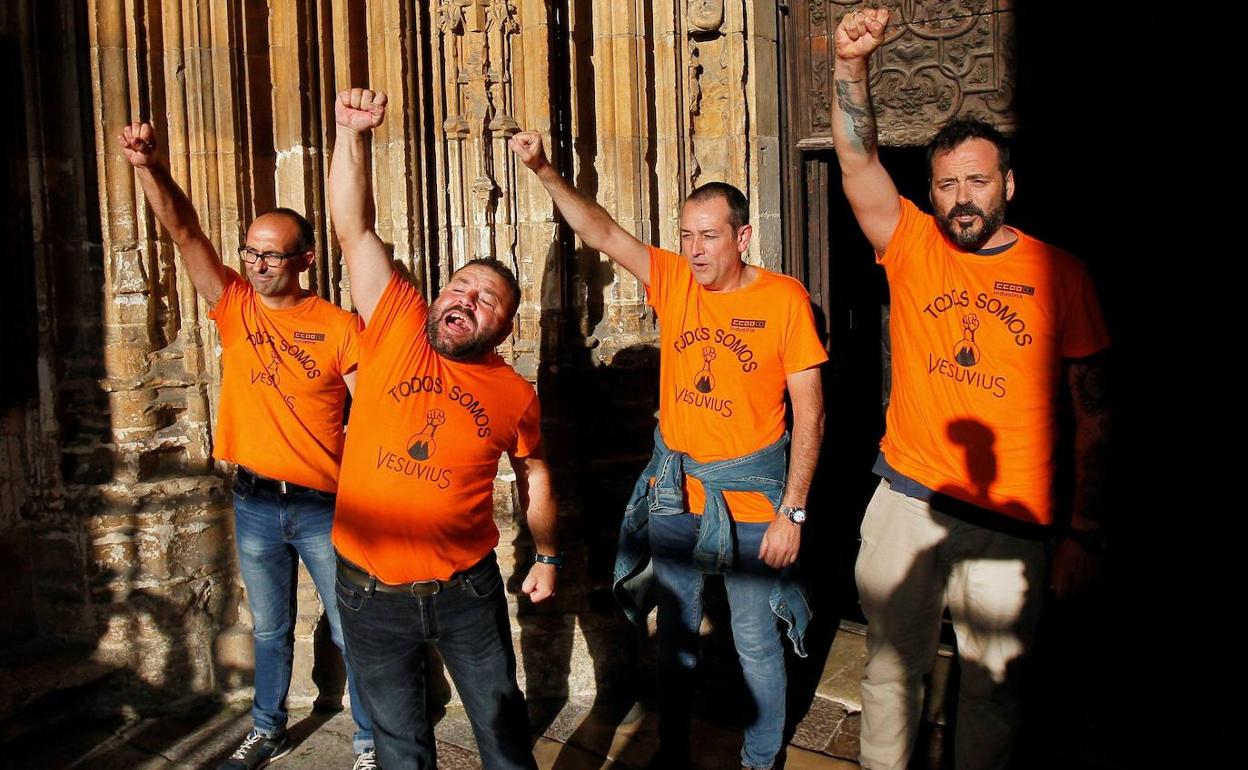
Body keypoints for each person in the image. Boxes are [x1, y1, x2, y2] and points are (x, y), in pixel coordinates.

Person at [829, 9, 1112, 770]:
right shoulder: (914, 243)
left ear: (1009, 184)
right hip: (909, 503)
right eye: (946, 182)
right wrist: (851, 63)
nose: (961, 196)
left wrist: (1083, 533)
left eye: (977, 181)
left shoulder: (1061, 274)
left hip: (1012, 524)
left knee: (994, 688)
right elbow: (857, 164)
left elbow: (1094, 414)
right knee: (890, 674)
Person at [510, 131, 827, 770]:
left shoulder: (783, 299)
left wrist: (792, 512)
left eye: (709, 235)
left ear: (742, 238)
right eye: (686, 234)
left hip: (752, 496)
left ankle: (761, 757)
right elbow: (601, 232)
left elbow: (812, 413)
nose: (695, 249)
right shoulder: (674, 279)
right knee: (675, 636)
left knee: (753, 638)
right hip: (675, 491)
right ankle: (674, 751)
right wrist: (543, 168)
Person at [116, 122, 377, 770]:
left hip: (323, 506)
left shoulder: (339, 326)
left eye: (274, 255)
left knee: (351, 628)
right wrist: (149, 168)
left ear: (306, 261)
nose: (258, 266)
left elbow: (374, 411)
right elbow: (184, 232)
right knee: (269, 629)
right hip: (256, 500)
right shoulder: (235, 304)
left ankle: (373, 738)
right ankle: (268, 727)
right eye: (252, 253)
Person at [326, 88, 559, 770]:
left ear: (503, 328)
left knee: (504, 741)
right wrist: (352, 137)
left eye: (486, 298)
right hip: (367, 592)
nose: (466, 298)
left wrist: (546, 555)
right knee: (401, 750)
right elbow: (353, 227)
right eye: (459, 286)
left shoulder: (514, 394)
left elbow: (535, 470)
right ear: (435, 297)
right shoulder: (396, 321)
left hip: (467, 591)